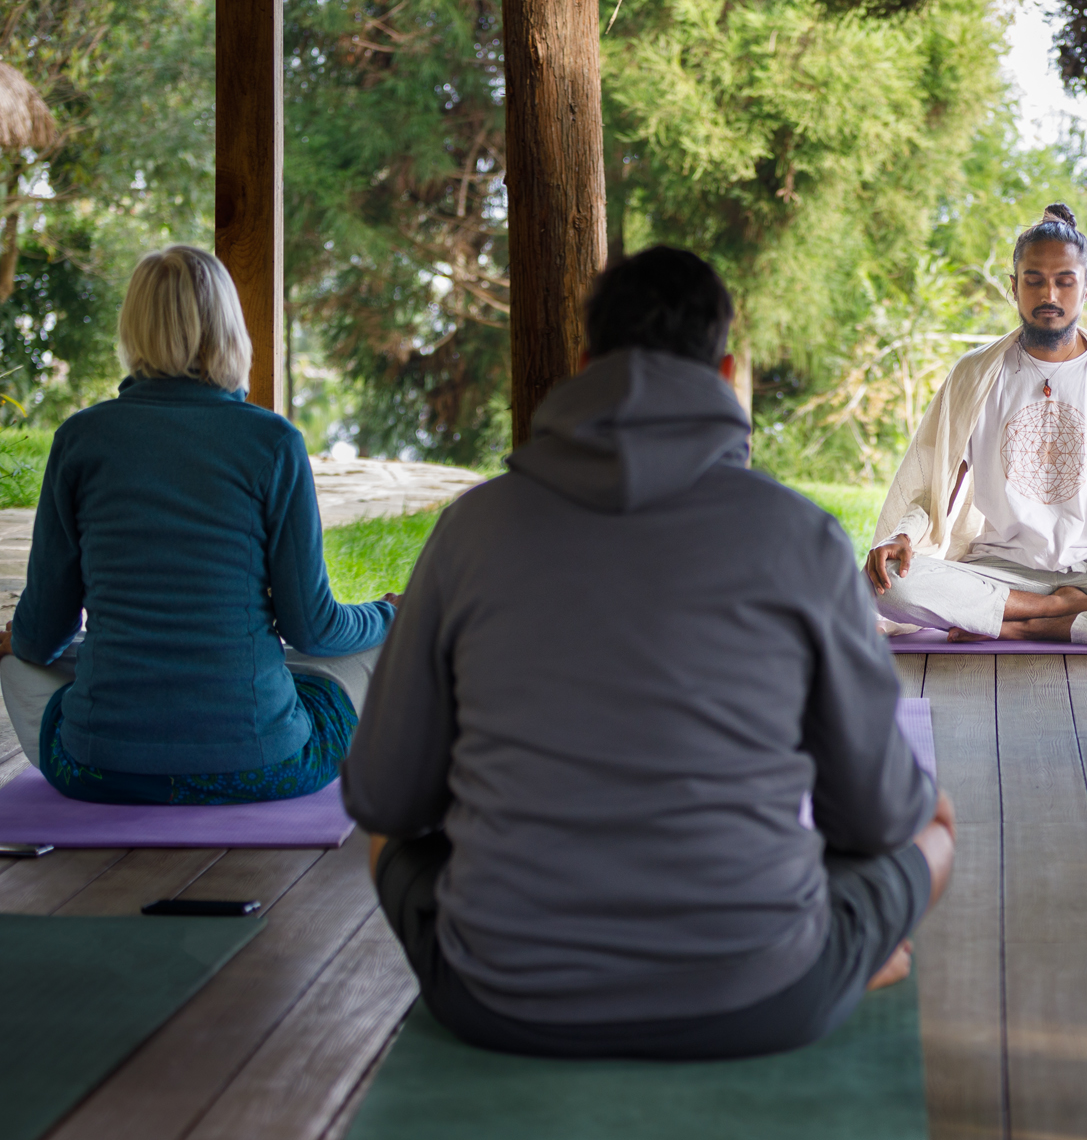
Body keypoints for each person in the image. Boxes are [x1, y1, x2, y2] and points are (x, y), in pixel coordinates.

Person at [344, 245, 954, 1061]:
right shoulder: (798, 535)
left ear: (587, 365)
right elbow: (876, 814)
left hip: (499, 997)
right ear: (727, 369)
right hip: (762, 994)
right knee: (934, 824)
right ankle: (846, 961)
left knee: (389, 843)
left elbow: (384, 796)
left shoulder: (474, 529)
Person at [0, 246, 391, 805]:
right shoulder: (273, 443)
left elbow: (42, 636)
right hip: (260, 767)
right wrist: (391, 613)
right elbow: (314, 630)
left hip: (99, 769)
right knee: (377, 648)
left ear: (133, 327)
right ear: (230, 329)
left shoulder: (80, 440)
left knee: (15, 661)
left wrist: (20, 642)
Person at [866, 204, 1087, 645]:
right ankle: (1060, 610)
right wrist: (903, 535)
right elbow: (935, 486)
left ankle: (1019, 625)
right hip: (1001, 570)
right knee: (887, 581)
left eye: (1064, 281)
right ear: (1014, 287)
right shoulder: (975, 374)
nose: (1049, 295)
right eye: (1034, 280)